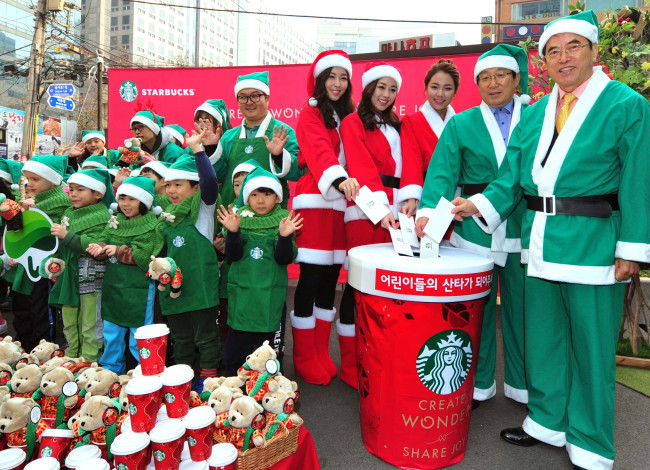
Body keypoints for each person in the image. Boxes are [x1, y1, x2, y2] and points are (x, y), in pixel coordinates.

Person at [450, 11, 649, 470]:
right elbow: (510, 178)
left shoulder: (625, 104)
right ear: (544, 61)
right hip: (539, 242)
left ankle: (592, 442)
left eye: (573, 47)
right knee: (546, 342)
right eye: (554, 50)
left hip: (594, 244)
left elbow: (640, 179)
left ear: (594, 52)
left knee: (593, 353)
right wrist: (474, 206)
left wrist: (631, 250)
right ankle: (547, 421)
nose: (564, 58)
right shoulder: (537, 111)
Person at [414, 44, 531, 408]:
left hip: (524, 222)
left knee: (524, 312)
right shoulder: (461, 123)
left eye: (501, 76)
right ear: (477, 84)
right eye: (485, 78)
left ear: (516, 79)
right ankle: (478, 384)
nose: (493, 84)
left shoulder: (537, 116)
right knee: (474, 311)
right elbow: (442, 171)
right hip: (473, 226)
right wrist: (428, 212)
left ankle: (524, 387)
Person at [291, 50, 359, 386]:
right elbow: (317, 150)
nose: (336, 83)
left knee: (330, 277)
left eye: (342, 77)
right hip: (316, 199)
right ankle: (303, 357)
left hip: (339, 205)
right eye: (330, 76)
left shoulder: (346, 115)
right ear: (319, 80)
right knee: (311, 277)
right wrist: (339, 177)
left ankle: (320, 352)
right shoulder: (310, 113)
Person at [338, 62, 402, 388]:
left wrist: (406, 203)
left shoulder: (397, 125)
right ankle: (351, 364)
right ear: (368, 87)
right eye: (381, 87)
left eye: (393, 89)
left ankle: (378, 359)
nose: (387, 95)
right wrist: (381, 210)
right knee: (358, 285)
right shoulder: (352, 122)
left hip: (396, 211)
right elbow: (361, 167)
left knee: (386, 288)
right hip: (366, 210)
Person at [218, 167, 302, 376]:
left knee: (269, 354)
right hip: (242, 299)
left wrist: (283, 237)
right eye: (254, 194)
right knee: (236, 351)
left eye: (267, 194)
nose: (261, 200)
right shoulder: (237, 219)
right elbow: (232, 256)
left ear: (277, 197)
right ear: (247, 197)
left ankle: (270, 389)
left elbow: (284, 259)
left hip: (269, 300)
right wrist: (234, 233)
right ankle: (232, 386)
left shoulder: (284, 220)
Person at [156, 133, 221, 391]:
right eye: (168, 185)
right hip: (173, 291)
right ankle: (181, 381)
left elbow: (210, 183)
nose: (171, 190)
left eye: (179, 185)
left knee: (206, 336)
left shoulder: (202, 211)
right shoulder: (165, 216)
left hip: (201, 289)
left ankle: (208, 378)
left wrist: (198, 151)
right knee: (180, 337)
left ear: (194, 188)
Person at [87, 176, 164, 374]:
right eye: (122, 198)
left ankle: (145, 373)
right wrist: (100, 247)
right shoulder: (116, 221)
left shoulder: (153, 226)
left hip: (139, 289)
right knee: (111, 333)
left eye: (132, 199)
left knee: (139, 335)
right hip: (114, 288)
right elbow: (104, 239)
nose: (125, 204)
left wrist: (119, 250)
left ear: (144, 202)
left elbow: (148, 256)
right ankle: (110, 372)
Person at [49, 169, 114, 362]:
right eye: (71, 189)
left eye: (80, 189)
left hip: (91, 278)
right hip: (68, 276)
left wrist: (67, 236)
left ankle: (90, 360)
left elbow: (95, 244)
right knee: (69, 318)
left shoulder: (103, 215)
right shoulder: (68, 213)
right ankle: (72, 356)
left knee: (90, 321)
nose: (74, 194)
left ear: (98, 194)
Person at [210, 71, 301, 208]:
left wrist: (278, 156)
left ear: (267, 98)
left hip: (270, 220)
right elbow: (218, 176)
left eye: (255, 96)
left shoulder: (282, 132)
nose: (249, 102)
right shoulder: (228, 137)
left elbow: (298, 172)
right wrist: (210, 148)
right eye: (243, 97)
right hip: (232, 216)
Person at [14, 155, 72, 351]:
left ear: (53, 180)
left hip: (47, 270)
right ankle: (26, 351)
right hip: (27, 266)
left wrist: (36, 211)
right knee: (26, 312)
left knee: (43, 314)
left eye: (35, 179)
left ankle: (45, 352)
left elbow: (52, 237)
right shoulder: (31, 201)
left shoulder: (62, 203)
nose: (30, 184)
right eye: (27, 179)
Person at [398, 59, 459, 217]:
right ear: (425, 89)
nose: (440, 94)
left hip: (456, 199)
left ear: (455, 92)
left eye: (447, 88)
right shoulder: (411, 122)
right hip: (426, 197)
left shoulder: (461, 123)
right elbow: (412, 162)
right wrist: (412, 198)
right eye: (434, 87)